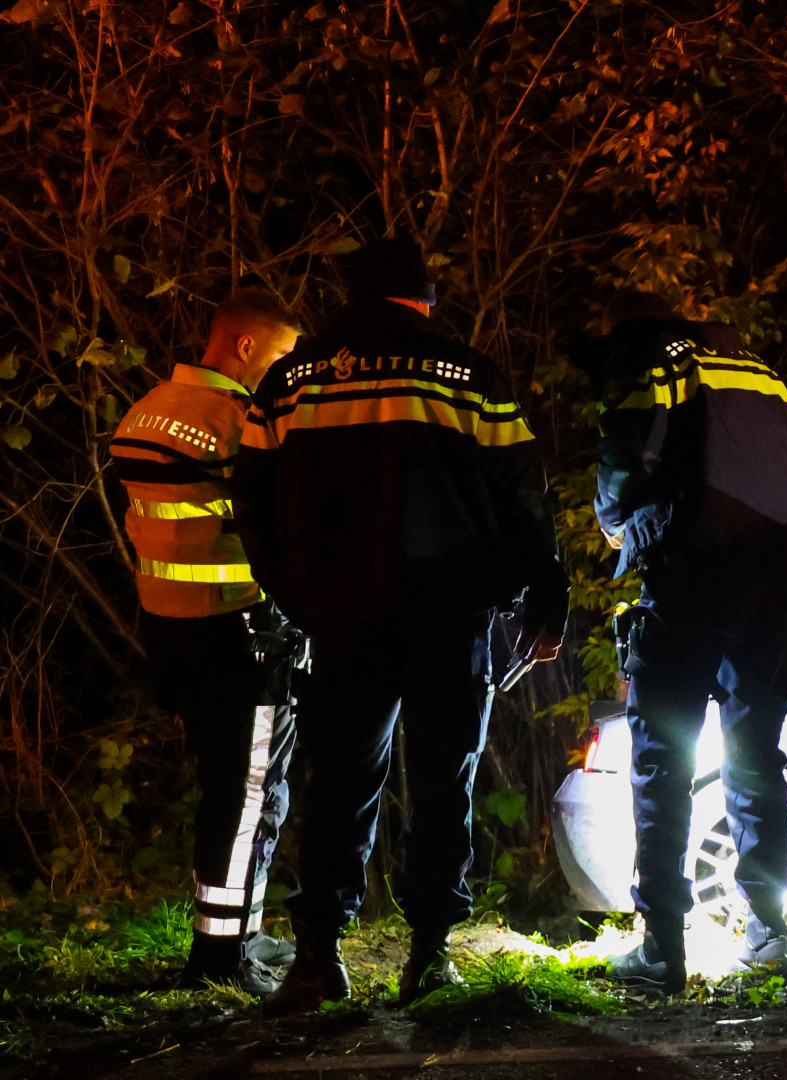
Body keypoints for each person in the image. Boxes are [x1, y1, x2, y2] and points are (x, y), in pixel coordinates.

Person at [233, 238, 568, 1014]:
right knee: (445, 775)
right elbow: (523, 491)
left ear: (351, 299)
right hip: (451, 607)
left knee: (339, 777)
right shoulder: (466, 374)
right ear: (425, 301)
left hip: (343, 610)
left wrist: (299, 593)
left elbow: (250, 499)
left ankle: (317, 957)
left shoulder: (290, 381)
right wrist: (544, 594)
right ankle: (429, 954)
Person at [572, 292, 787, 994]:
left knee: (662, 754)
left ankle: (662, 946)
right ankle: (772, 932)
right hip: (773, 572)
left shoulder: (645, 355)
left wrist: (615, 521)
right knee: (755, 754)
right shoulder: (749, 364)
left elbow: (625, 449)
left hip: (691, 565)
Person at [108, 288, 304, 996]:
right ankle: (222, 957)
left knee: (227, 788)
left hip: (170, 626)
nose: (286, 371)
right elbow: (281, 520)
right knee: (249, 792)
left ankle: (238, 928)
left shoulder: (148, 409)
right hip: (240, 631)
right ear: (246, 346)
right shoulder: (236, 421)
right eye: (281, 355)